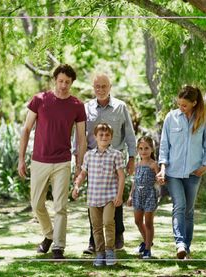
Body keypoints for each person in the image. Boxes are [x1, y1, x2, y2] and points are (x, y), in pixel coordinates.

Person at [18, 64, 87, 259]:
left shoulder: (77, 106)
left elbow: (81, 138)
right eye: (60, 81)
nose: (63, 85)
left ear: (72, 83)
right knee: (36, 204)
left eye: (67, 82)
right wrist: (21, 158)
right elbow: (26, 129)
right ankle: (48, 234)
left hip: (63, 162)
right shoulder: (39, 100)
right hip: (39, 160)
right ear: (54, 80)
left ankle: (58, 247)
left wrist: (79, 165)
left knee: (60, 207)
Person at [78, 73, 136, 254]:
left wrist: (132, 158)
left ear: (110, 87)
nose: (101, 90)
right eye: (97, 87)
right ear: (93, 88)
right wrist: (78, 160)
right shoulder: (86, 108)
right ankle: (93, 241)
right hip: (93, 161)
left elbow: (129, 134)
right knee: (94, 202)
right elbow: (79, 136)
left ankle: (118, 234)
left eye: (104, 86)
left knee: (115, 199)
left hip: (115, 159)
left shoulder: (120, 107)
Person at [157, 85, 206, 259]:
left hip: (193, 173)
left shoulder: (205, 119)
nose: (181, 108)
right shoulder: (171, 117)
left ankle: (186, 249)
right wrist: (162, 169)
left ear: (194, 103)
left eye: (184, 105)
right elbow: (164, 145)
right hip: (173, 173)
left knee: (189, 211)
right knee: (179, 206)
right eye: (179, 104)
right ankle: (180, 243)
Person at [72, 123, 125, 266]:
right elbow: (83, 173)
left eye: (107, 135)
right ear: (95, 137)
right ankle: (100, 253)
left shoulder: (116, 155)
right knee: (96, 226)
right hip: (93, 197)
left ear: (111, 137)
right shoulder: (89, 155)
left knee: (108, 222)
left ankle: (110, 251)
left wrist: (119, 196)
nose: (104, 137)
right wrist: (77, 186)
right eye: (101, 135)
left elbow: (121, 176)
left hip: (110, 196)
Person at [126, 136, 160, 259]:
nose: (143, 151)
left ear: (151, 149)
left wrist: (160, 181)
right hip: (137, 195)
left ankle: (147, 249)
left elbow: (159, 180)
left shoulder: (154, 165)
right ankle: (147, 241)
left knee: (148, 223)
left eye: (146, 148)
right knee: (137, 221)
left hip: (150, 195)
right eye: (140, 148)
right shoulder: (138, 164)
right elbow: (135, 181)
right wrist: (130, 195)